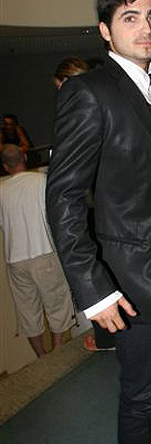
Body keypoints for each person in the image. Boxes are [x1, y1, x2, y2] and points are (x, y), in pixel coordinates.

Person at [46, 0, 151, 444]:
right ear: (105, 30)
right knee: (142, 394)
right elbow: (63, 197)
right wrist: (94, 289)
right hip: (129, 278)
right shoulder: (88, 92)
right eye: (130, 17)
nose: (146, 28)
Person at [53, 55, 115, 353]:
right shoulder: (105, 96)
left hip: (89, 203)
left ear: (62, 82)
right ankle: (110, 335)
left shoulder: (77, 102)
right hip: (107, 203)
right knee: (108, 261)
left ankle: (106, 337)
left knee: (93, 260)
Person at [0, 144, 75, 357]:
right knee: (58, 306)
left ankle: (41, 358)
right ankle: (57, 354)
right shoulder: (42, 182)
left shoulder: (1, 190)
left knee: (27, 313)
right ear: (24, 157)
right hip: (44, 252)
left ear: (5, 166)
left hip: (15, 260)